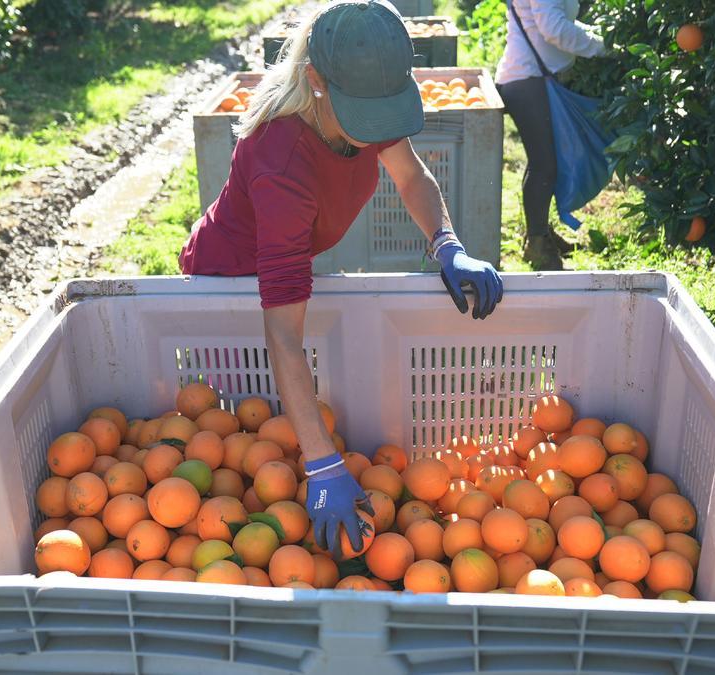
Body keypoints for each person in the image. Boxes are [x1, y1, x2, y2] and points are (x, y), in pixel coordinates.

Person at [178, 0, 503, 557]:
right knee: (241, 430)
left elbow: (412, 176)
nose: (375, 132)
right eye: (364, 117)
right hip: (229, 283)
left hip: (283, 263)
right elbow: (281, 334)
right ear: (315, 82)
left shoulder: (362, 103)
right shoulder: (280, 164)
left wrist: (447, 242)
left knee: (270, 435)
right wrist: (324, 466)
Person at [496, 0, 607, 270]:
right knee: (545, 165)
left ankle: (540, 233)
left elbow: (557, 20)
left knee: (543, 161)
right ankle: (537, 244)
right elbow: (553, 28)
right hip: (527, 79)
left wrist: (600, 35)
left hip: (531, 78)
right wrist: (603, 47)